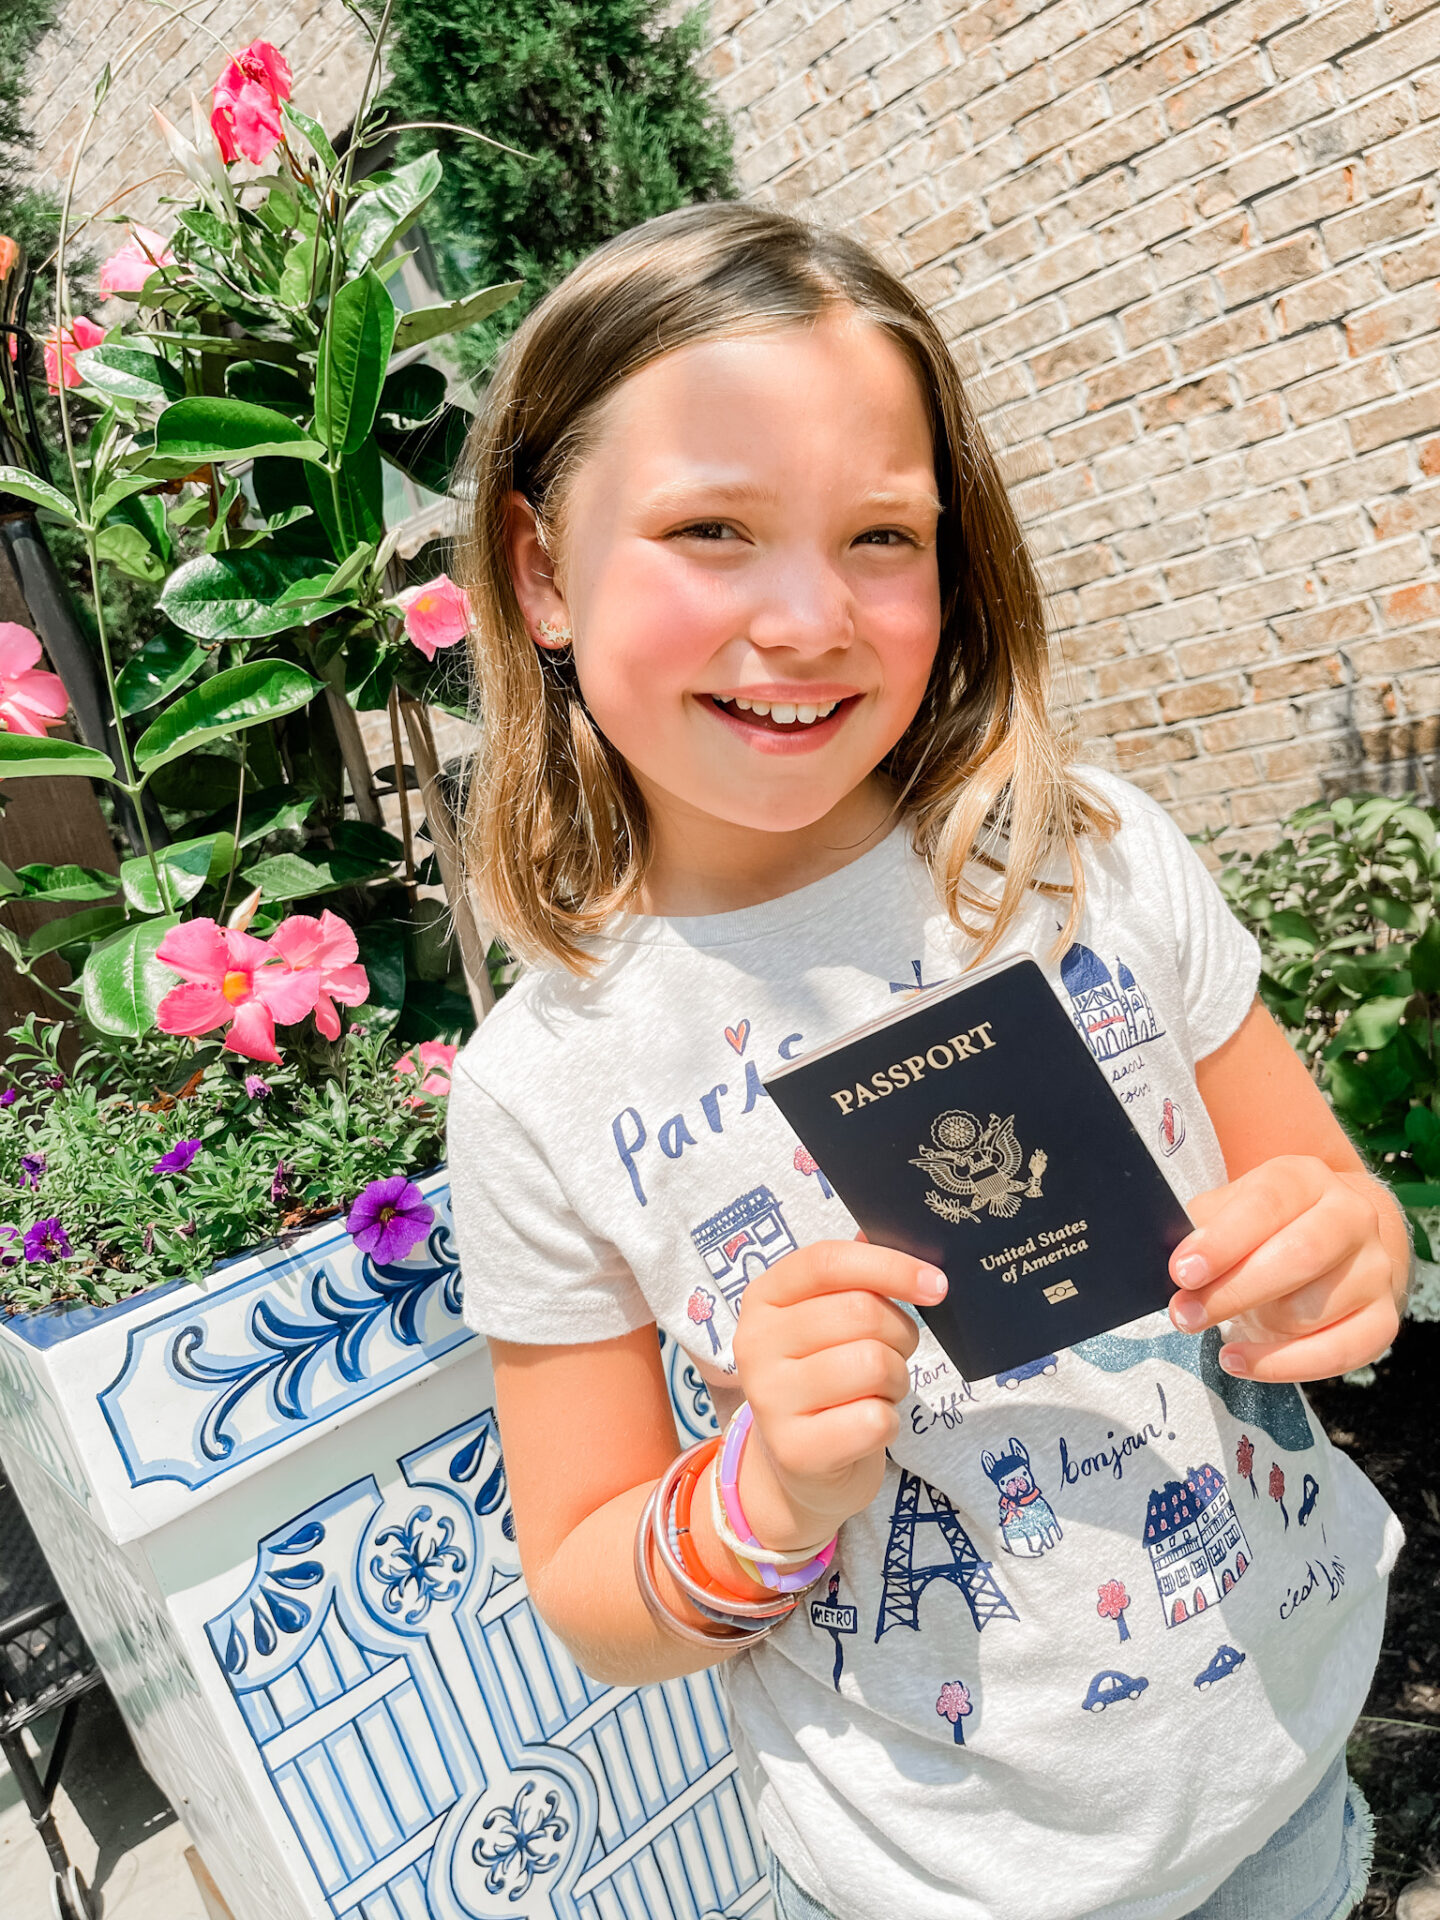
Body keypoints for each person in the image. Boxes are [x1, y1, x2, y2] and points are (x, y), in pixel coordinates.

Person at [446, 203, 1408, 1920]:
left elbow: (1333, 1201)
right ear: (537, 570)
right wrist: (764, 1487)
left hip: (1284, 1765)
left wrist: (1344, 1259)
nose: (808, 616)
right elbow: (592, 1588)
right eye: (712, 529)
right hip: (945, 1876)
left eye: (882, 535)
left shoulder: (1089, 858)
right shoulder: (545, 1084)